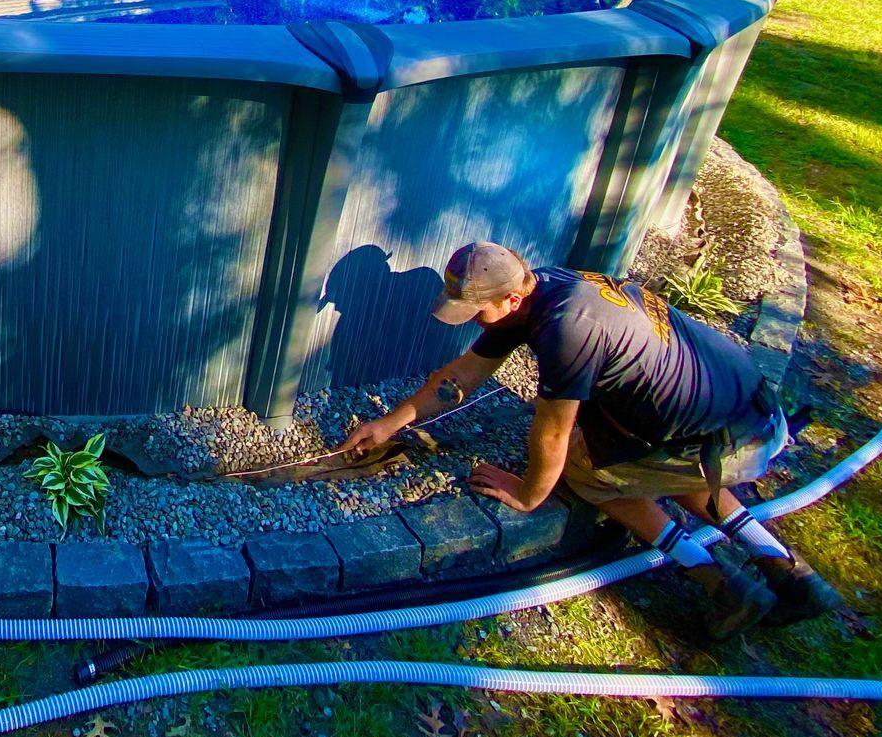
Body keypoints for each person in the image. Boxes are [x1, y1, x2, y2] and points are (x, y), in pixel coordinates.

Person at [339, 242, 844, 638]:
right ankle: (792, 575)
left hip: (731, 439)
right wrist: (391, 422)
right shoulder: (545, 286)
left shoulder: (565, 330)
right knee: (663, 468)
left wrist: (528, 493)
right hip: (742, 413)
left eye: (476, 311)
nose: (471, 319)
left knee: (587, 472)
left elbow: (553, 429)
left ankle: (723, 586)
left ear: (511, 296)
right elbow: (464, 375)